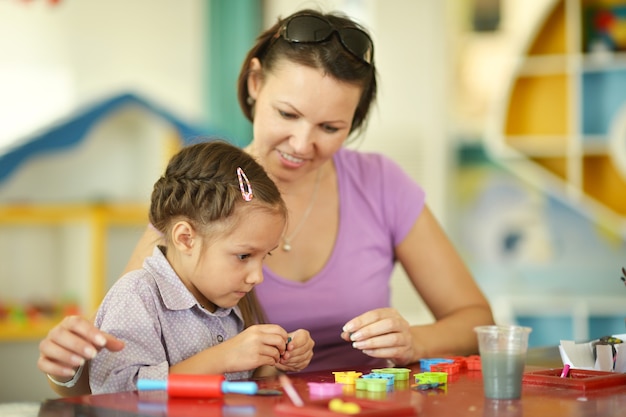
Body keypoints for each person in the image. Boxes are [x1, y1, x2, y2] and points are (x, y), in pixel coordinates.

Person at [38, 8, 494, 396]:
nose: (302, 142)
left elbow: (476, 321)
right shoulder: (204, 197)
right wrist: (65, 365)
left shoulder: (380, 184)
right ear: (255, 82)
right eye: (288, 114)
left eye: (330, 127)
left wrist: (413, 341)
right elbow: (109, 378)